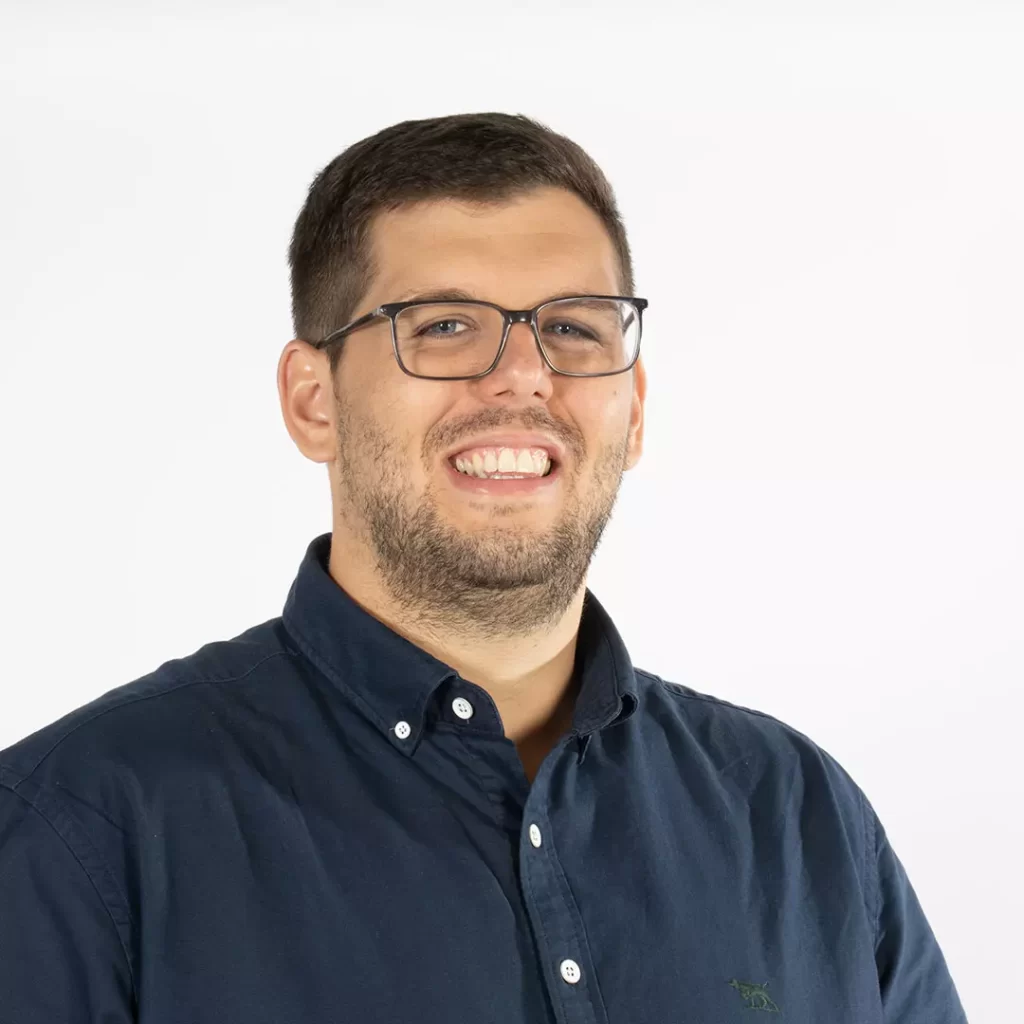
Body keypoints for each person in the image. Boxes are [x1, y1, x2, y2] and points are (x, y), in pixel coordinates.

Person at [0, 112, 967, 1023]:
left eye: (574, 328)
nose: (522, 376)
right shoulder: (76, 829)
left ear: (633, 409)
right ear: (313, 401)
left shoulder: (797, 815)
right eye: (444, 326)